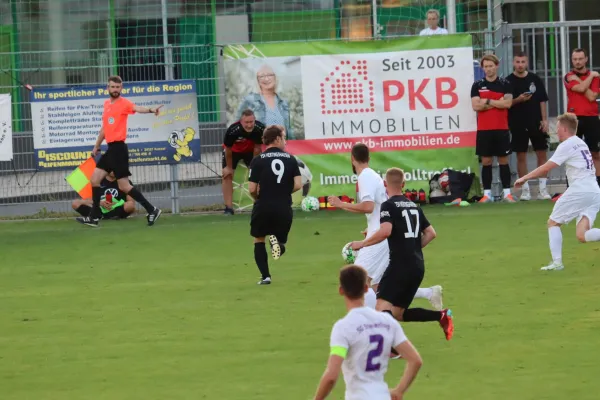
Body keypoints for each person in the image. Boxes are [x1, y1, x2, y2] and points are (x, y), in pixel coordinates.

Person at [328, 143, 443, 311]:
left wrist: (341, 204)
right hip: (381, 231)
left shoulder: (365, 176)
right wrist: (372, 227)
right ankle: (428, 293)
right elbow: (378, 209)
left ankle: (368, 321)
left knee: (357, 278)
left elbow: (368, 206)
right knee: (376, 286)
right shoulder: (372, 175)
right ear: (368, 157)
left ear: (352, 158)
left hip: (381, 236)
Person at [350, 168, 454, 341]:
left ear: (385, 185)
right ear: (403, 184)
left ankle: (392, 348)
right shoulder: (414, 206)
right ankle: (442, 316)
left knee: (381, 309)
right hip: (417, 266)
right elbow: (431, 233)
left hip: (399, 266)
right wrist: (413, 248)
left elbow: (385, 231)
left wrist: (362, 244)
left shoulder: (388, 205)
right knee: (398, 313)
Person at [312, 264, 422, 400]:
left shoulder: (343, 328)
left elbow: (331, 376)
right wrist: (399, 391)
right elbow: (415, 360)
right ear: (366, 289)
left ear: (341, 290)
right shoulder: (387, 321)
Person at [515, 113, 600, 271]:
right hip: (594, 191)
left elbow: (547, 167)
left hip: (580, 190)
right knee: (582, 235)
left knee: (553, 223)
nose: (556, 131)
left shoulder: (567, 144)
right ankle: (557, 263)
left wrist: (524, 178)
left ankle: (557, 263)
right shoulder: (581, 143)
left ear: (564, 129)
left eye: (558, 128)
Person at [76, 75, 162, 227]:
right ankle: (94, 217)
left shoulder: (124, 103)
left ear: (121, 88)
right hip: (110, 149)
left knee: (124, 186)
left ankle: (152, 209)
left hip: (119, 149)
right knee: (94, 180)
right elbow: (104, 128)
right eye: (112, 87)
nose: (115, 90)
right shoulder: (106, 104)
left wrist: (151, 109)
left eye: (118, 87)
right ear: (107, 88)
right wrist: (96, 146)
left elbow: (137, 108)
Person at [248, 125, 302, 285]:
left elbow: (251, 188)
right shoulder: (291, 159)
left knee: (259, 239)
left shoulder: (258, 160)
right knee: (280, 241)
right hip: (284, 206)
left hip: (263, 205)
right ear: (277, 139)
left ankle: (265, 276)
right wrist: (282, 191)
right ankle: (278, 246)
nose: (285, 141)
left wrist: (257, 196)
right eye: (284, 137)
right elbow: (298, 184)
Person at [506, 52, 551, 201]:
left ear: (527, 63)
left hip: (536, 121)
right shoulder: (508, 81)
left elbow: (542, 100)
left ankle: (542, 189)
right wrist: (518, 99)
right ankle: (525, 190)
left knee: (542, 153)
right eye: (517, 62)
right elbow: (506, 104)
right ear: (513, 63)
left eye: (523, 62)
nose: (520, 64)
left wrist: (544, 120)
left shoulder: (534, 79)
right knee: (521, 156)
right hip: (517, 123)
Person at [471, 54, 515, 203]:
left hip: (501, 128)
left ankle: (507, 193)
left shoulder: (505, 84)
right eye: (486, 66)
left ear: (497, 66)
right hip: (484, 129)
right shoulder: (477, 85)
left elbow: (508, 104)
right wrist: (497, 102)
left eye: (491, 66)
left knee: (503, 161)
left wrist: (488, 101)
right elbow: (476, 106)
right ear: (482, 68)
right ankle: (487, 194)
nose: (488, 69)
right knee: (486, 161)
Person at [564, 48, 600, 188]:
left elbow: (591, 97)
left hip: (591, 118)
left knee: (595, 154)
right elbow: (578, 89)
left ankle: (597, 186)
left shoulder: (596, 77)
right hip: (573, 118)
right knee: (571, 154)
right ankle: (571, 187)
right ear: (572, 60)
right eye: (575, 59)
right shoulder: (568, 76)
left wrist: (581, 80)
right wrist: (589, 78)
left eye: (580, 59)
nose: (577, 62)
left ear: (586, 59)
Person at [222, 109, 265, 215]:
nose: (250, 125)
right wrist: (228, 167)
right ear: (241, 121)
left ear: (255, 120)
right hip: (233, 152)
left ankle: (258, 205)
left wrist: (254, 167)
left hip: (250, 151)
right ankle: (228, 208)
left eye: (251, 122)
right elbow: (227, 149)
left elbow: (257, 148)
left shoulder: (260, 128)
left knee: (258, 175)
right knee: (227, 175)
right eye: (247, 122)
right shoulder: (233, 130)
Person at [236, 65, 294, 139]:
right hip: (260, 148)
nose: (266, 79)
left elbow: (289, 130)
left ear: (275, 78)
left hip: (282, 147)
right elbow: (237, 126)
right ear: (257, 80)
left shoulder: (283, 102)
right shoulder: (249, 100)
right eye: (262, 76)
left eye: (270, 75)